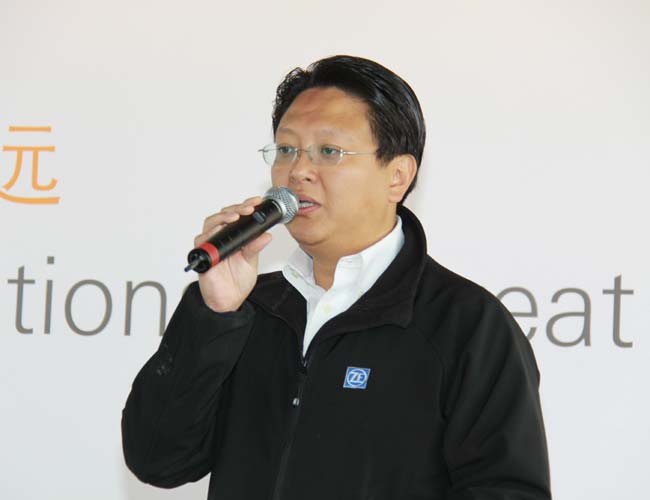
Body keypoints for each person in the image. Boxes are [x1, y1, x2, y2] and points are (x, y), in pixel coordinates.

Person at [122, 55, 552, 500]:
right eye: (286, 150)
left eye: (329, 152)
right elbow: (157, 459)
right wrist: (214, 315)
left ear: (397, 176)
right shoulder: (246, 308)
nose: (297, 171)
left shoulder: (467, 325)